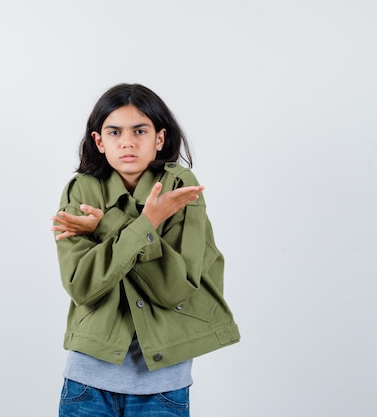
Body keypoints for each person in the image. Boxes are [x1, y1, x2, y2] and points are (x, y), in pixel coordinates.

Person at [51, 83, 240, 417]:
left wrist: (106, 227)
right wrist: (147, 224)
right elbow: (82, 285)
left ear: (159, 138)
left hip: (163, 386)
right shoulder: (81, 189)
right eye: (114, 132)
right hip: (87, 383)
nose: (127, 141)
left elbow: (174, 289)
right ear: (99, 141)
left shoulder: (181, 187)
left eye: (140, 130)